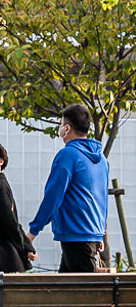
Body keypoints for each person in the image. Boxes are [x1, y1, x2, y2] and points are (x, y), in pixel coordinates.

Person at [29, 105, 110, 272]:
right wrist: (99, 231)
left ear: (67, 128)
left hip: (75, 234)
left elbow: (53, 196)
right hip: (88, 233)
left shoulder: (68, 155)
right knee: (64, 286)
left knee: (85, 287)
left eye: (61, 125)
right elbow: (101, 198)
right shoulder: (101, 159)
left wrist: (33, 232)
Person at [0, 141, 35, 274]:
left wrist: (24, 249)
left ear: (0, 161)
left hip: (1, 256)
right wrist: (27, 246)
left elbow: (10, 222)